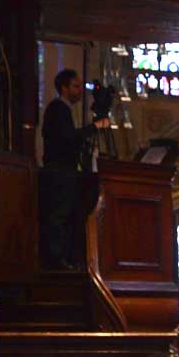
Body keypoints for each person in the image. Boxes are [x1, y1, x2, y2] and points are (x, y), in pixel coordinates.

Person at [38, 68, 111, 271]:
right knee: (59, 215)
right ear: (64, 87)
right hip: (60, 171)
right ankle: (56, 259)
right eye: (76, 86)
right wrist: (95, 127)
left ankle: (64, 257)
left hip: (64, 171)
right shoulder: (58, 109)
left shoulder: (62, 109)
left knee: (66, 214)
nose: (80, 91)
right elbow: (67, 138)